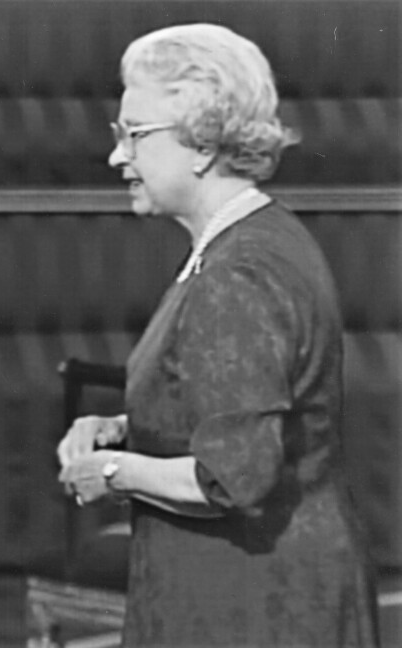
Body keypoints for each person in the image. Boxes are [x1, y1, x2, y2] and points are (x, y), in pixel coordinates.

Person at [57, 24, 380, 647]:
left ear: (202, 141)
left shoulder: (241, 272)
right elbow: (239, 407)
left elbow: (229, 477)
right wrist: (125, 426)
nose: (117, 157)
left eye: (135, 135)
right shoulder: (248, 244)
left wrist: (114, 470)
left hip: (253, 605)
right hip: (252, 588)